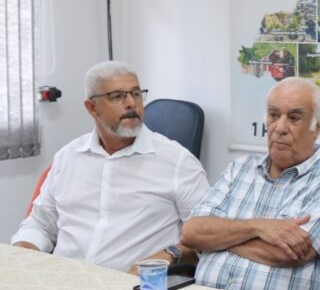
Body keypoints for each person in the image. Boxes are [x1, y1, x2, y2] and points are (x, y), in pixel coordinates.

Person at [11, 60, 209, 273]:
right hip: (63, 279)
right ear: (92, 108)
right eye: (117, 96)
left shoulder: (178, 162)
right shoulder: (68, 157)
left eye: (136, 94)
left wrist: (169, 254)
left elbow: (207, 238)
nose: (131, 103)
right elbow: (41, 224)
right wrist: (21, 254)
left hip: (131, 285)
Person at [182, 77, 320, 290]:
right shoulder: (239, 169)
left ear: (317, 127)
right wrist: (258, 227)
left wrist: (218, 239)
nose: (280, 128)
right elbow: (192, 233)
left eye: (294, 118)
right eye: (274, 115)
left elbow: (287, 254)